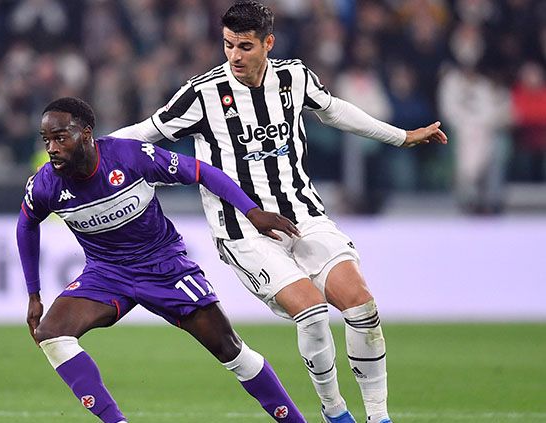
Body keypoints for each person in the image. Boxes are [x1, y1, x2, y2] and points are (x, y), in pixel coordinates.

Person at [110, 2, 448, 423]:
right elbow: (144, 133)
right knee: (311, 310)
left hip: (303, 214)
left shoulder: (294, 78)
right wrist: (87, 155)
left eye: (245, 46)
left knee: (362, 306)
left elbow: (335, 109)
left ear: (268, 43)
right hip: (243, 230)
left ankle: (378, 417)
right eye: (228, 45)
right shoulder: (203, 93)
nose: (235, 56)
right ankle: (335, 412)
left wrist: (401, 136)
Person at [17, 97, 308, 423]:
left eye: (60, 137)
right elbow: (26, 224)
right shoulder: (46, 184)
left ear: (86, 134)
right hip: (106, 272)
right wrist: (34, 294)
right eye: (47, 140)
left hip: (164, 267)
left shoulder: (128, 156)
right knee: (52, 334)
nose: (52, 148)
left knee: (231, 350)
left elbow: (202, 172)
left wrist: (252, 212)